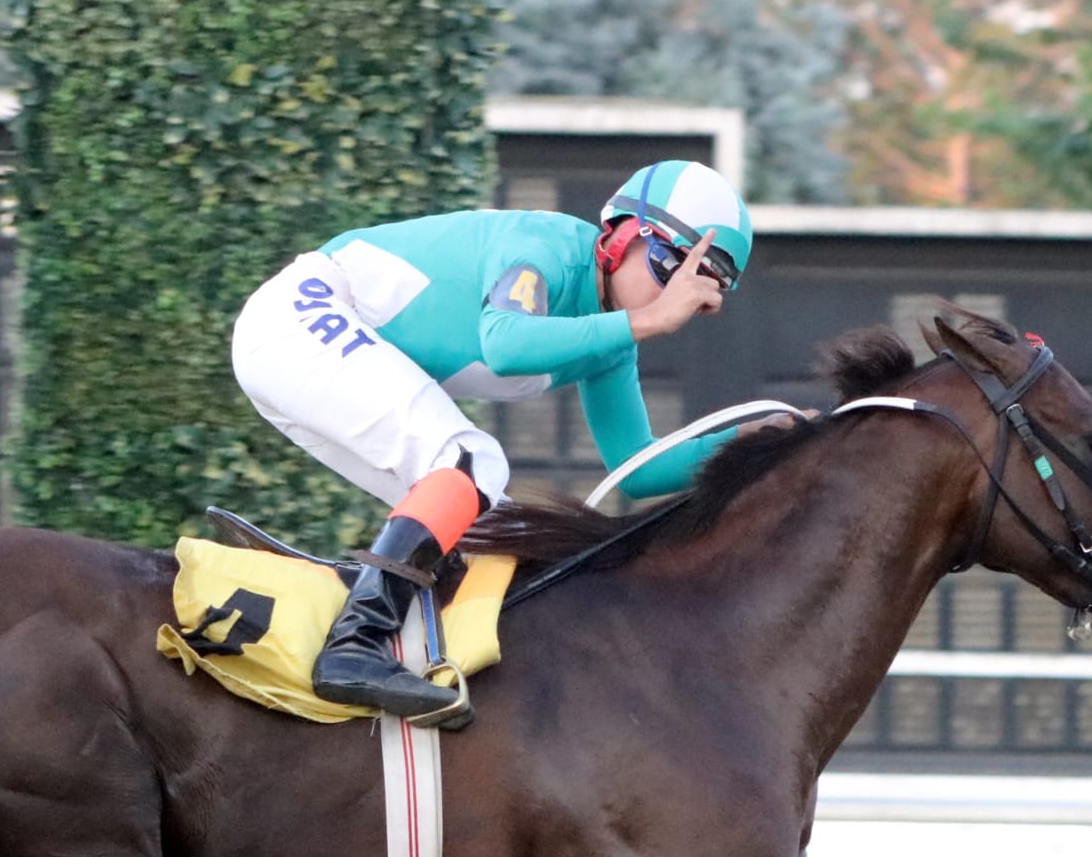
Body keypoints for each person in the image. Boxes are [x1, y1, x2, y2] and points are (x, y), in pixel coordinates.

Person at [231, 160, 756, 718]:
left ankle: (412, 651)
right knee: (472, 461)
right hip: (300, 316)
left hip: (300, 347)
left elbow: (638, 468)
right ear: (621, 235)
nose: (673, 303)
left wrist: (748, 443)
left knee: (499, 530)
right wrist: (649, 321)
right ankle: (354, 645)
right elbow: (505, 343)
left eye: (696, 294)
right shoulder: (545, 247)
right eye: (667, 268)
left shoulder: (613, 343)